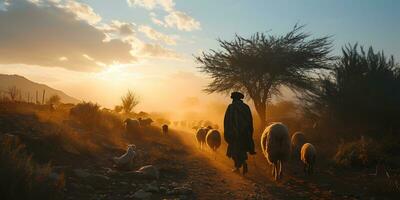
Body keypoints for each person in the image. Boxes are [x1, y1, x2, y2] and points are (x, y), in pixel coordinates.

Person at [224, 92, 256, 175]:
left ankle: (237, 167)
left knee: (234, 150)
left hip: (234, 133)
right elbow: (250, 121)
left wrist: (227, 132)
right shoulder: (246, 107)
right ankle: (244, 163)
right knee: (242, 149)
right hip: (245, 133)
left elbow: (227, 121)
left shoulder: (231, 107)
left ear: (234, 99)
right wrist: (250, 132)